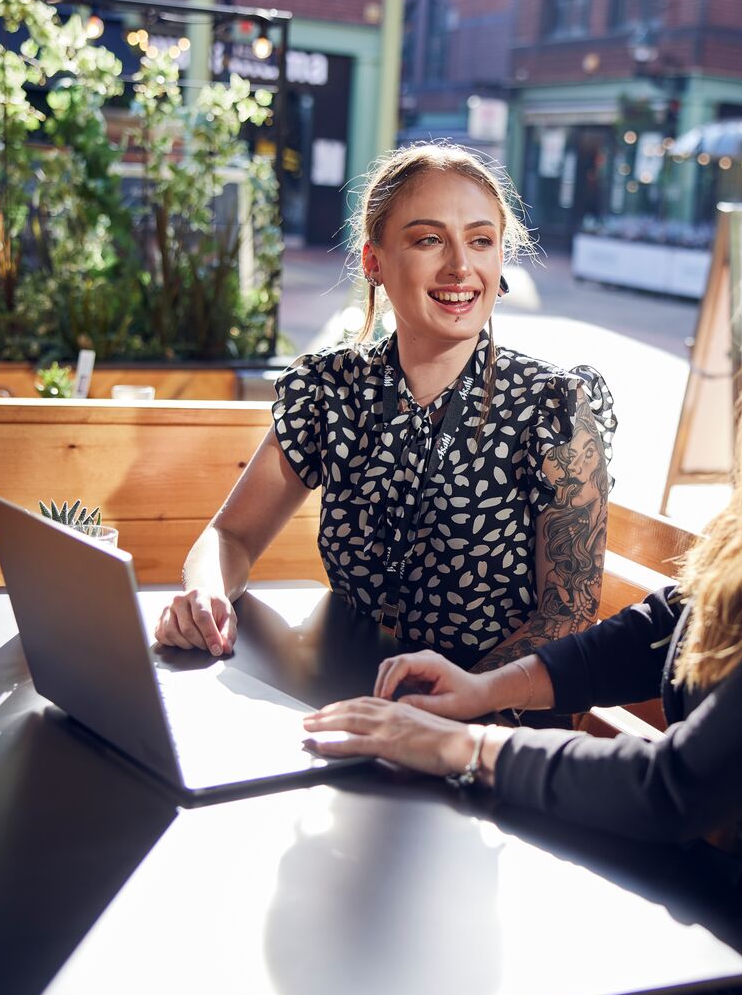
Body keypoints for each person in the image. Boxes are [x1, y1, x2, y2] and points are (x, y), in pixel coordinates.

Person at [300, 140, 742, 995]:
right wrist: (488, 692)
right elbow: (672, 620)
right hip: (710, 899)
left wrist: (458, 749)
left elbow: (683, 784)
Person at [155, 145, 616, 679]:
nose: (461, 266)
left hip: (488, 726)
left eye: (481, 241)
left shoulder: (554, 407)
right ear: (374, 260)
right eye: (429, 240)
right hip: (346, 694)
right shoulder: (328, 389)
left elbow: (567, 618)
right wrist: (206, 594)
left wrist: (457, 702)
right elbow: (229, 537)